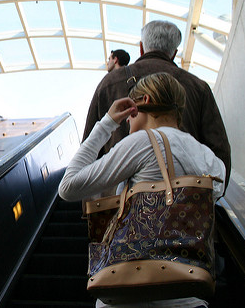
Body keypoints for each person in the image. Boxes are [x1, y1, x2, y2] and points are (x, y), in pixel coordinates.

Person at [59, 72, 226, 308]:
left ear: (144, 101)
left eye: (129, 114)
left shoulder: (142, 143)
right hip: (189, 296)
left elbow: (68, 186)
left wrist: (107, 123)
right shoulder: (209, 158)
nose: (127, 121)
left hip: (127, 295)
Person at [83, 20, 231, 191]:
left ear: (141, 48)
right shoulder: (198, 87)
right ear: (174, 53)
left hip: (116, 204)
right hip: (185, 205)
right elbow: (220, 151)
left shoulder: (110, 83)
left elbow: (89, 149)